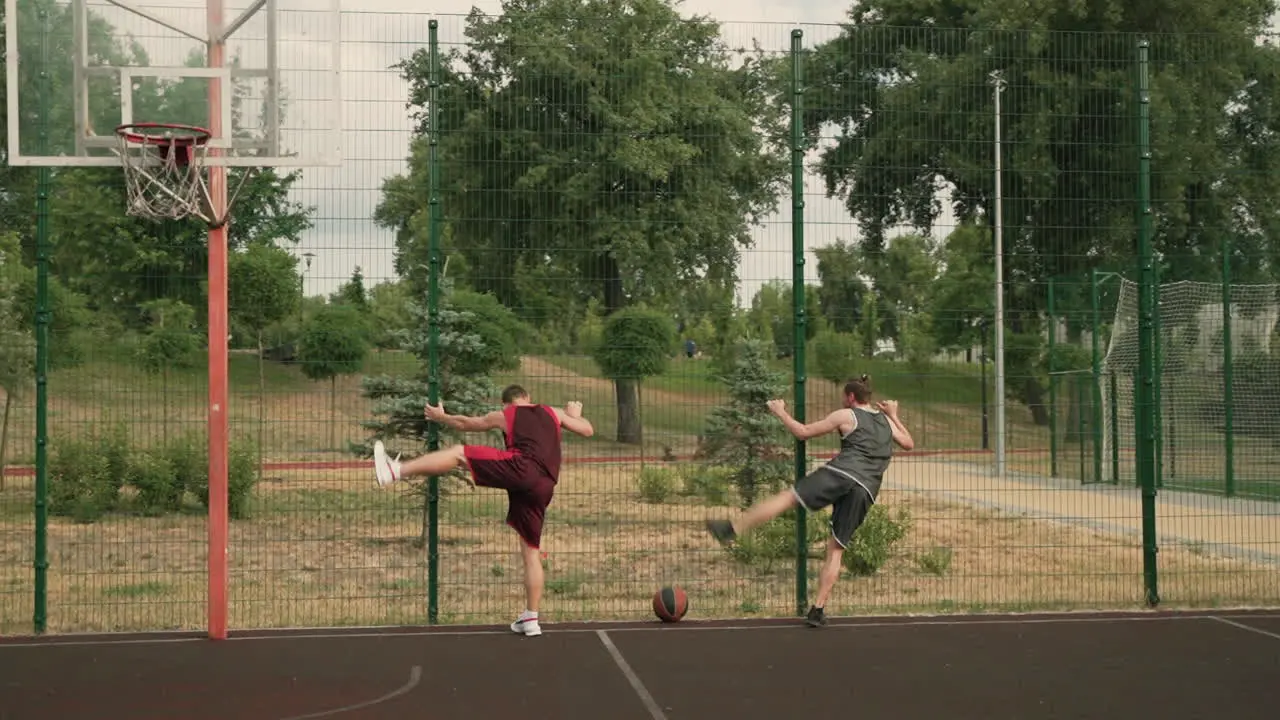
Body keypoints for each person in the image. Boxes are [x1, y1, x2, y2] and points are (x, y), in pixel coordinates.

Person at [371, 384, 595, 637]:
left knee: (458, 454)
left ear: (506, 404)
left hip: (521, 468)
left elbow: (467, 423)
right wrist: (572, 415)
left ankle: (394, 472)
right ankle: (531, 618)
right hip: (545, 485)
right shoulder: (553, 412)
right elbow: (587, 429)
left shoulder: (506, 415)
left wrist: (441, 416)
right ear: (528, 398)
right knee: (531, 551)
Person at [704, 375, 914, 627]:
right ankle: (818, 609)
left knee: (787, 497)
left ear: (850, 397)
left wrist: (780, 411)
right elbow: (908, 443)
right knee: (836, 548)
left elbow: (802, 433)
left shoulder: (846, 415)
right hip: (867, 489)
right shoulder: (887, 423)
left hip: (842, 473)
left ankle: (731, 530)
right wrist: (893, 414)